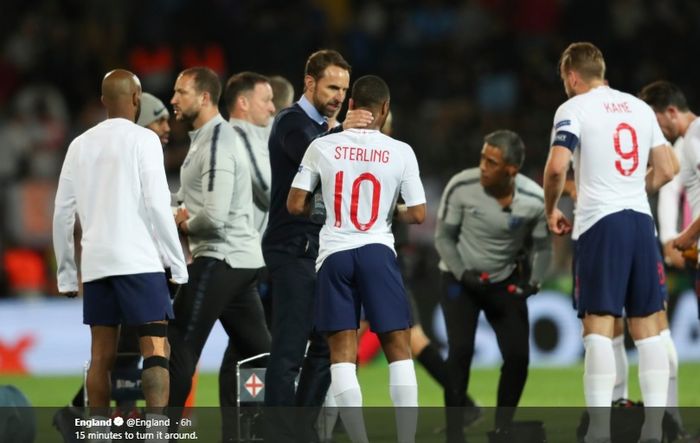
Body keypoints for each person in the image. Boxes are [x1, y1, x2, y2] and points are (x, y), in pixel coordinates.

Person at [543, 42, 678, 443]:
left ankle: (599, 432)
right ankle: (653, 431)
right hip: (641, 223)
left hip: (600, 224)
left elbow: (555, 167)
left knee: (599, 326)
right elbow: (668, 167)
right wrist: (635, 188)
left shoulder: (573, 109)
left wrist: (552, 208)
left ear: (571, 76)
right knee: (648, 328)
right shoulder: (638, 108)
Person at [288, 74, 426, 443]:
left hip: (334, 253)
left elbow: (295, 203)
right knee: (398, 349)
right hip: (377, 251)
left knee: (342, 355)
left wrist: (326, 206)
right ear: (385, 109)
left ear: (351, 106)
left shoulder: (323, 146)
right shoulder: (401, 151)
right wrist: (385, 210)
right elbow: (417, 213)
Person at [53, 69, 187, 439]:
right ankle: (157, 431)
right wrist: (177, 264)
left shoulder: (79, 144)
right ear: (137, 99)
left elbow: (62, 212)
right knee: (156, 349)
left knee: (101, 357)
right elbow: (158, 206)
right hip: (140, 261)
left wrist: (66, 274)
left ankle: (97, 431)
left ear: (102, 102)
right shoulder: (144, 140)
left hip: (97, 265)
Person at [262, 48, 372, 441]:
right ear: (309, 83)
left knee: (327, 347)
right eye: (331, 86)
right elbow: (315, 153)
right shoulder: (291, 122)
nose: (339, 96)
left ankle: (300, 430)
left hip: (322, 248)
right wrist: (346, 131)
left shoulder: (331, 131)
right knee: (290, 349)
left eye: (344, 88)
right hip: (292, 247)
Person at [166, 67, 270, 442]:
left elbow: (213, 215)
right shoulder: (206, 140)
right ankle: (252, 428)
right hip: (240, 263)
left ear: (205, 97)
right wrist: (172, 206)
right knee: (257, 352)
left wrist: (181, 224)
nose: (173, 100)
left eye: (181, 92)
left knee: (178, 345)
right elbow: (193, 200)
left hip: (220, 259)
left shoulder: (216, 142)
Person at [435, 129, 551, 441]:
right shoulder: (461, 185)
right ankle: (455, 434)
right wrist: (463, 273)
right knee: (460, 351)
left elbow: (543, 247)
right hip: (460, 278)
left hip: (503, 280)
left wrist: (535, 281)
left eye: (492, 161)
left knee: (518, 357)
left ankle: (502, 429)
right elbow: (443, 237)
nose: (483, 166)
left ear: (511, 170)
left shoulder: (533, 199)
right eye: (483, 158)